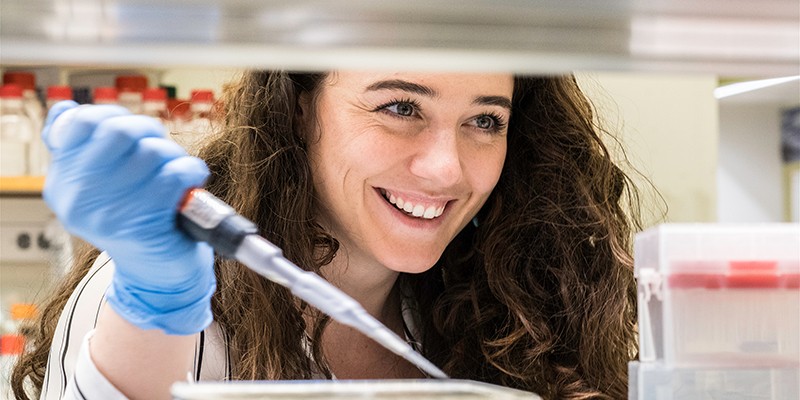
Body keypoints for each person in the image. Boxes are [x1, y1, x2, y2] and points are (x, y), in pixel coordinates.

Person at [11, 71, 641, 400]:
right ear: (297, 107)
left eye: (484, 119)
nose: (447, 168)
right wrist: (155, 307)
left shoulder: (510, 302)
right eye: (400, 108)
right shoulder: (162, 292)